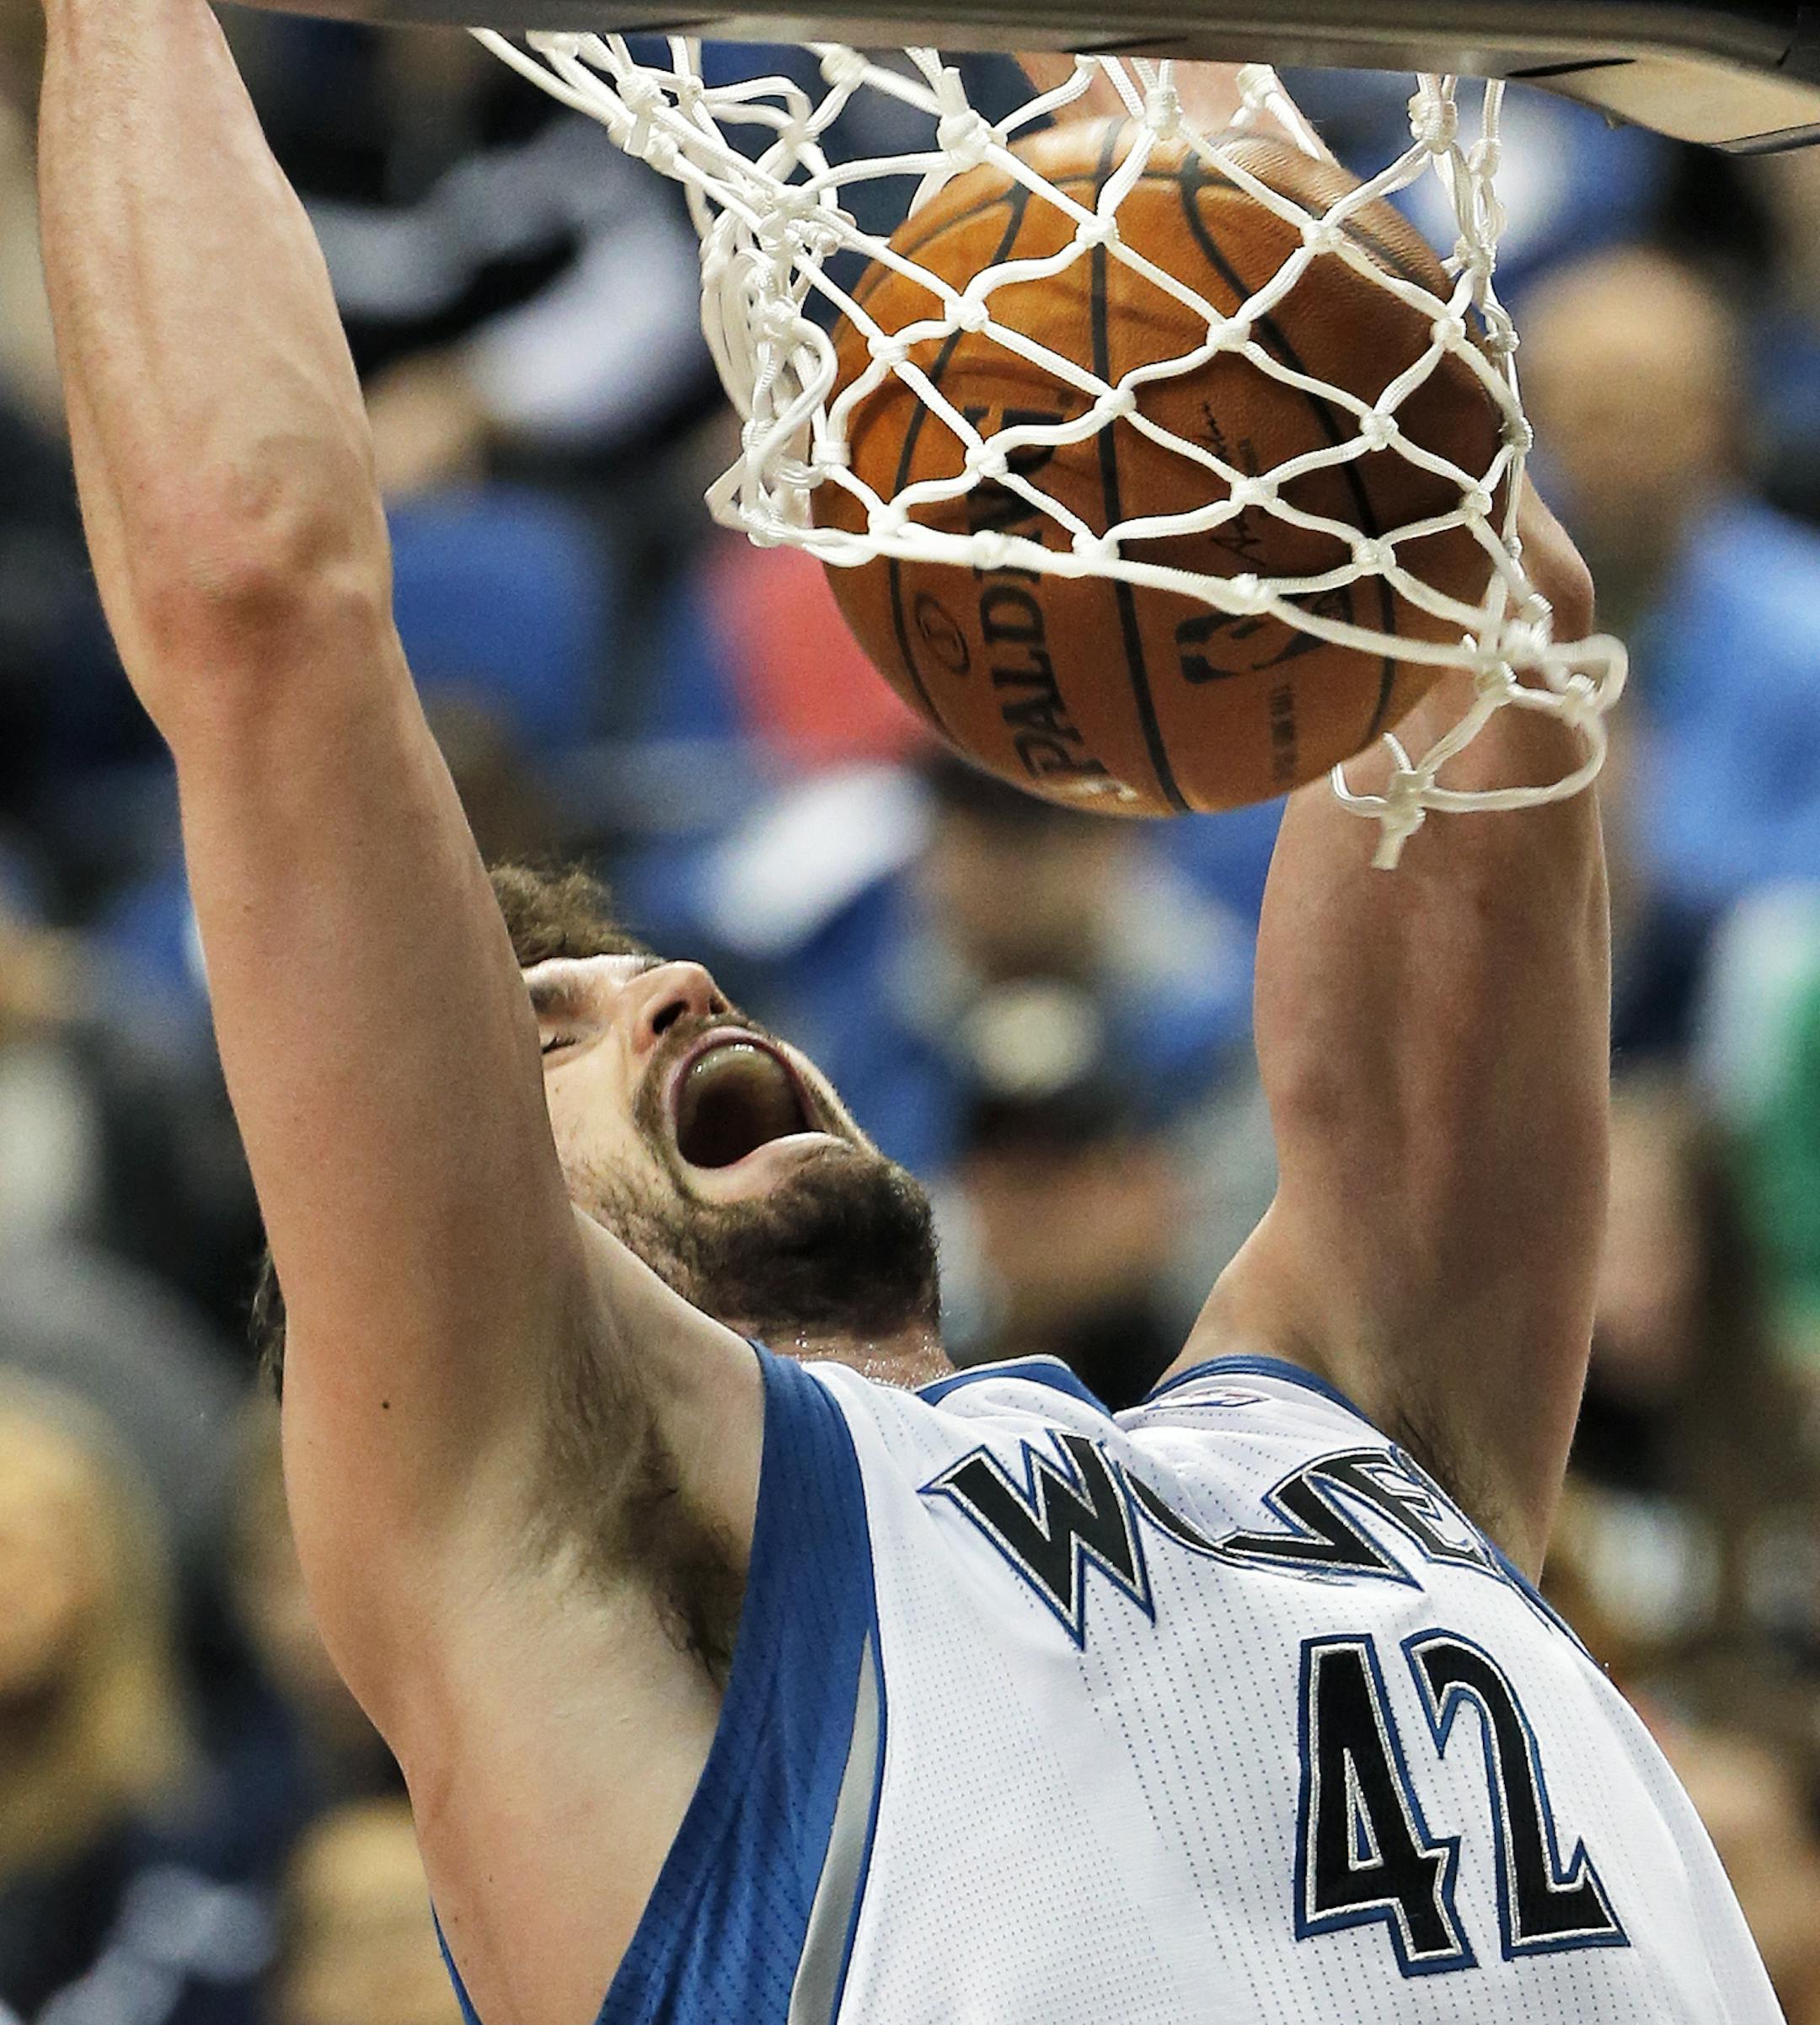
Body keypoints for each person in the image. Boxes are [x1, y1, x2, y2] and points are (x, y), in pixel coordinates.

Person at [35, 9, 1779, 2025]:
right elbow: (262, 591)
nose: (670, 984)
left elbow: (1468, 589)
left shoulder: (1350, 1419)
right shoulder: (593, 1608)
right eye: (538, 1037)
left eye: (642, 970)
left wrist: (1144, 81)